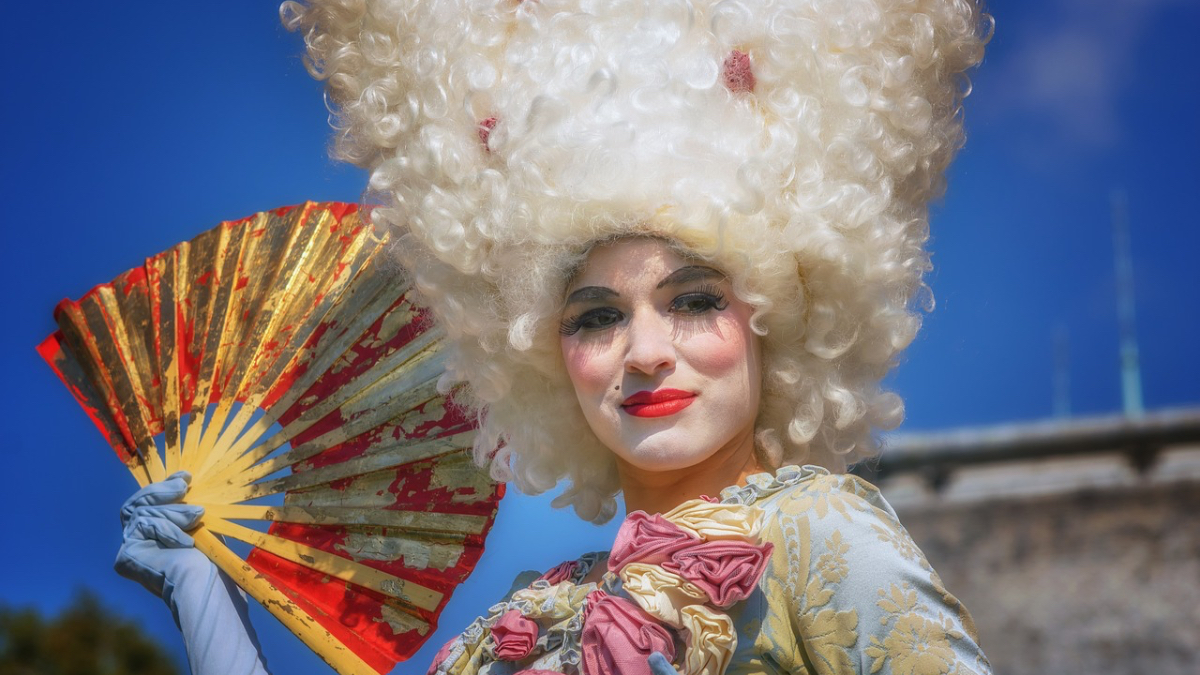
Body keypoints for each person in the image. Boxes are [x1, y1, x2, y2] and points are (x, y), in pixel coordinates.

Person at [117, 0, 992, 673]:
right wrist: (204, 596)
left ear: (778, 312)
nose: (645, 350)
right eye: (598, 316)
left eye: (692, 300)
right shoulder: (522, 617)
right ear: (542, 353)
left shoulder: (817, 529)